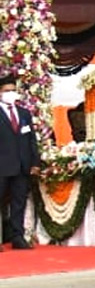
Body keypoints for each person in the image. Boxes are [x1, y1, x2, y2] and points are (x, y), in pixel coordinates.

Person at [0, 74, 40, 250]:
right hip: (2, 166)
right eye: (6, 91)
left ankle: (18, 237)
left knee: (19, 202)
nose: (11, 94)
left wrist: (35, 163)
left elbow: (31, 140)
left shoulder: (24, 113)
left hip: (22, 166)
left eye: (13, 90)